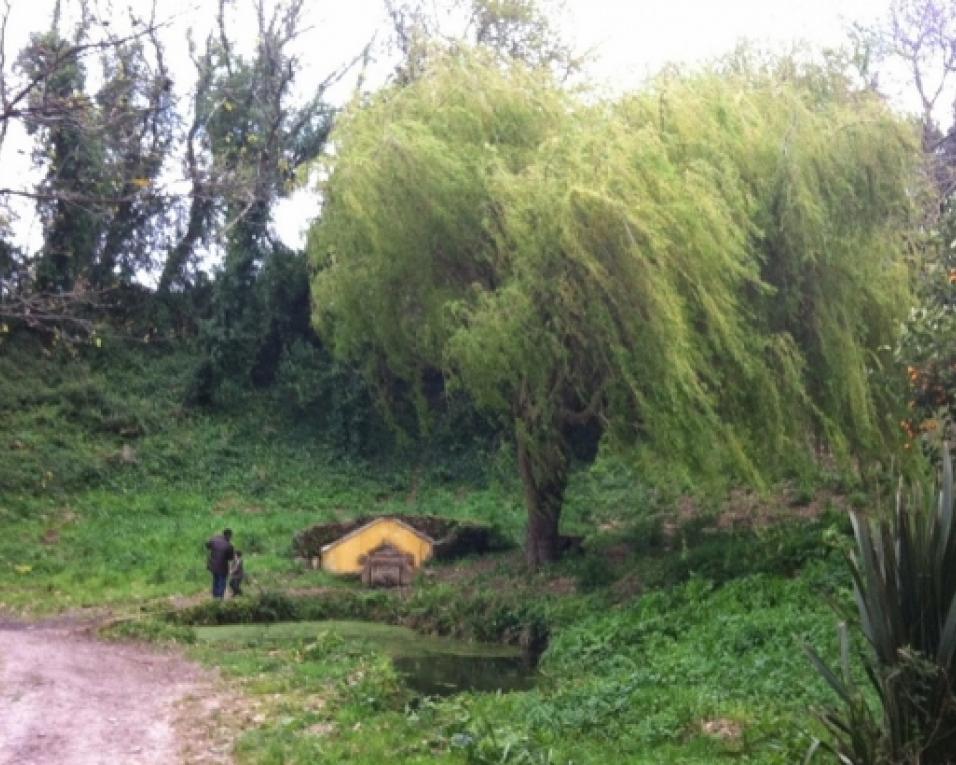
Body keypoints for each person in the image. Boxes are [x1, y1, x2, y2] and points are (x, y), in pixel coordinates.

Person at [205, 528, 234, 599]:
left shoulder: (215, 539)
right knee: (222, 582)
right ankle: (219, 598)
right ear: (229, 536)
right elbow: (230, 558)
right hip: (222, 567)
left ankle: (215, 597)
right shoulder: (229, 546)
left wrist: (213, 537)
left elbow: (207, 545)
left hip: (212, 565)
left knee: (215, 580)